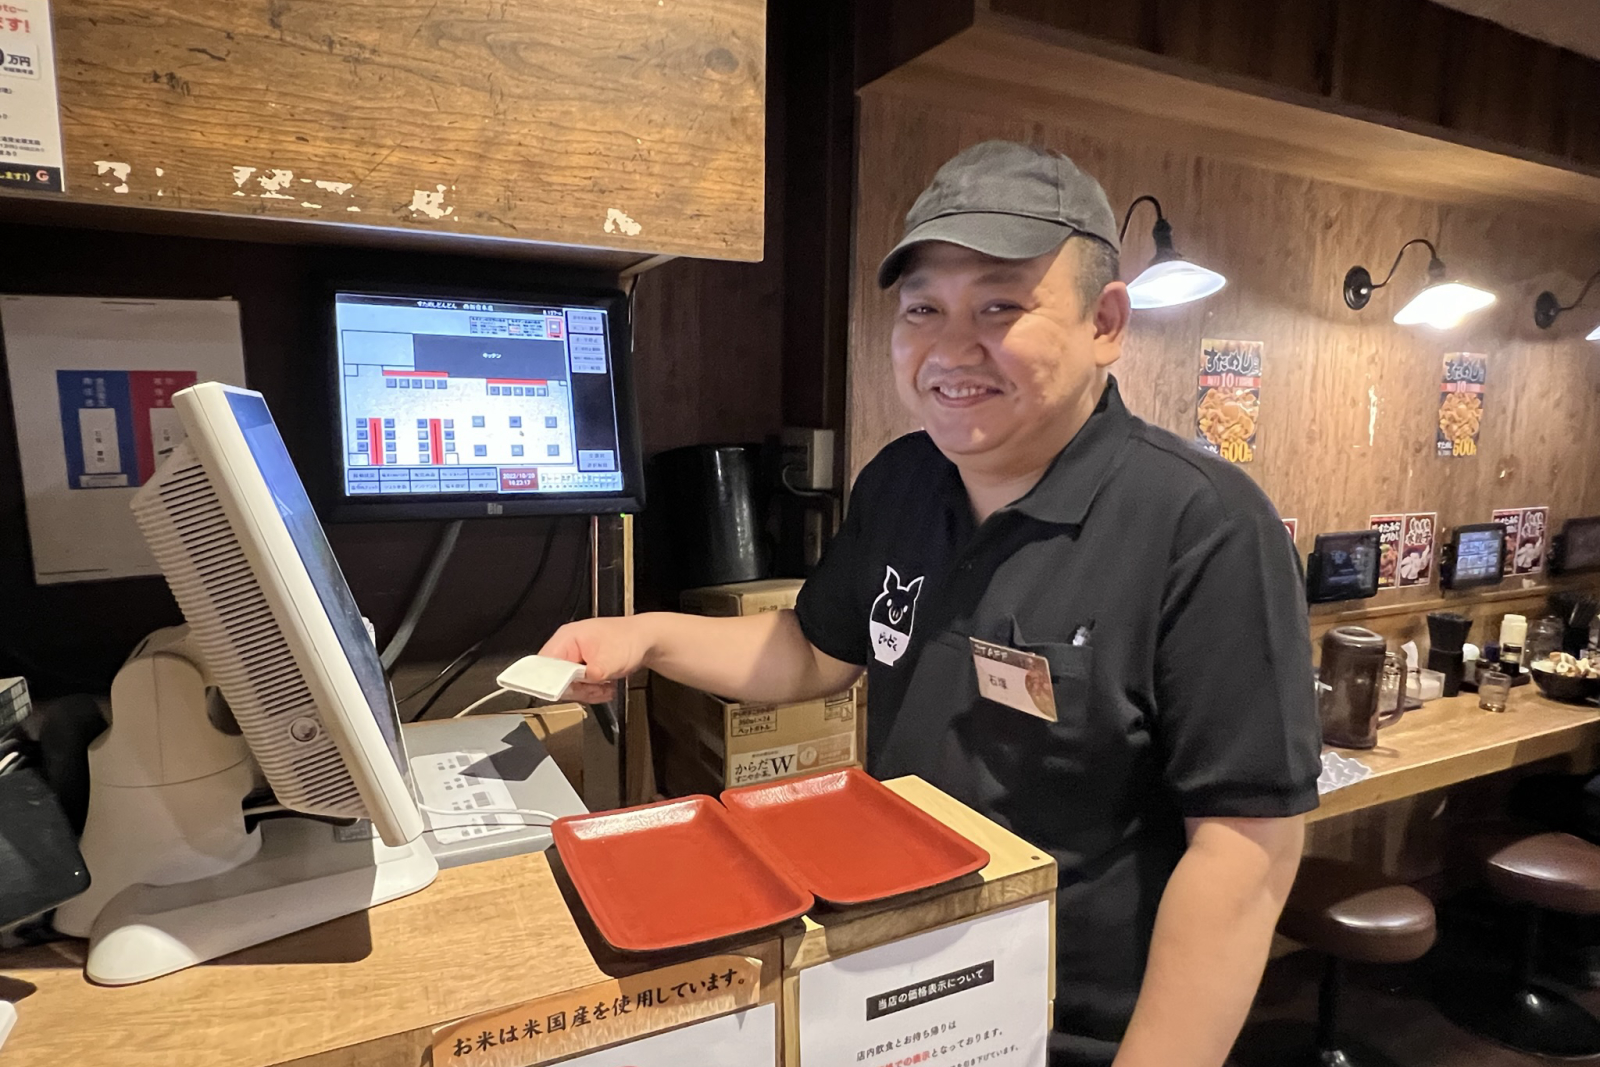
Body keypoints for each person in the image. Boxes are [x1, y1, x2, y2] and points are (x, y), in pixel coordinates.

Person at [542, 140, 1321, 1067]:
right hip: (897, 985)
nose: (953, 350)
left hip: (1070, 1028)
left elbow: (1246, 852)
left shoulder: (1206, 523)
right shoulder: (905, 478)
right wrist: (645, 635)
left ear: (1107, 321)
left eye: (1000, 305)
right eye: (923, 310)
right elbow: (811, 651)